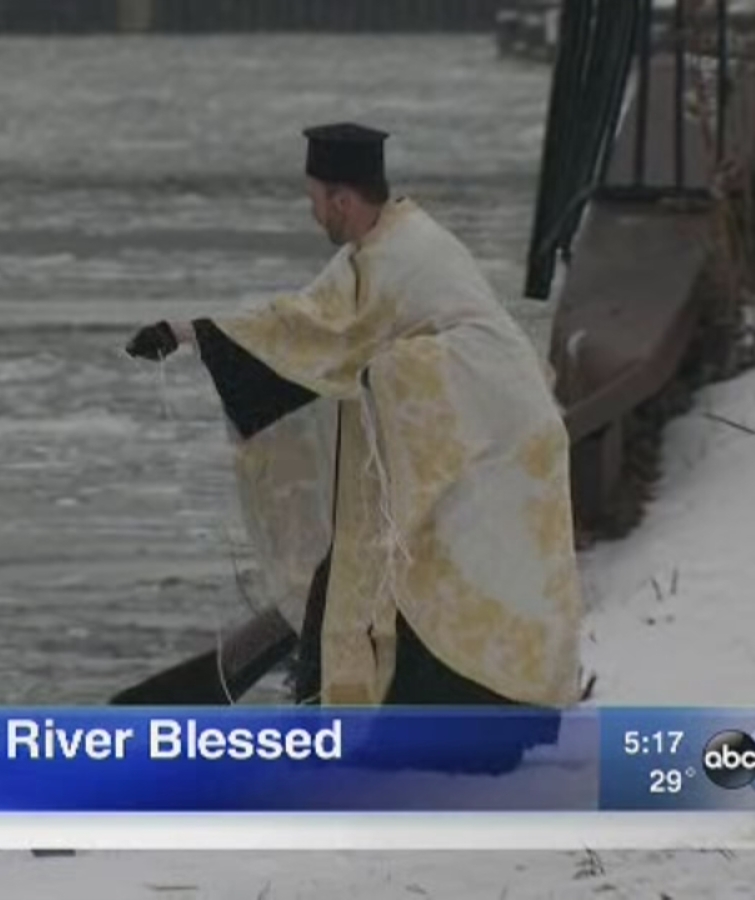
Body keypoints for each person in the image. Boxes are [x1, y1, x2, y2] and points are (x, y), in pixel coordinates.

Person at [126, 123, 584, 772]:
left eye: (315, 199)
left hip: (492, 435)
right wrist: (187, 333)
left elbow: (324, 339)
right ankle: (399, 735)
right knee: (399, 575)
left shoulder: (402, 255)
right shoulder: (379, 247)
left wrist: (193, 334)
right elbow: (303, 326)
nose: (313, 213)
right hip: (463, 435)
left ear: (342, 199)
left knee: (457, 578)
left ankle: (459, 742)